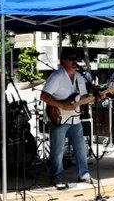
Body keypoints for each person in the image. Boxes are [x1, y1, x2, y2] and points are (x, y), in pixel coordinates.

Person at [40, 48, 95, 186]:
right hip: (60, 117)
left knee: (81, 148)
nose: (74, 61)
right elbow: (44, 96)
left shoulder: (80, 77)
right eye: (71, 58)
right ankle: (56, 176)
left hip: (75, 118)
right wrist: (61, 105)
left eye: (76, 58)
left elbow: (82, 96)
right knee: (58, 150)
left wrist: (92, 97)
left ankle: (84, 174)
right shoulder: (57, 76)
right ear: (63, 60)